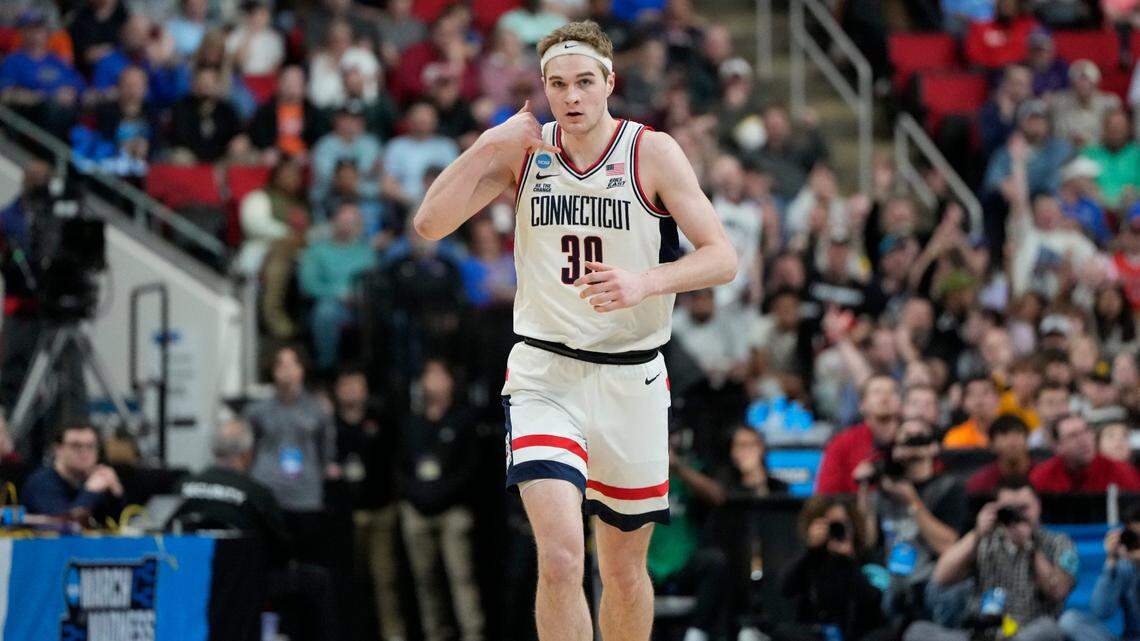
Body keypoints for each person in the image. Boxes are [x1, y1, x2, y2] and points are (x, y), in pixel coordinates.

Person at [412, 19, 737, 641]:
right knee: (561, 557)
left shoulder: (651, 152)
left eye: (584, 81)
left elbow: (723, 257)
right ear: (543, 88)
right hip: (545, 373)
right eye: (557, 84)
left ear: (610, 82)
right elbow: (429, 224)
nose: (572, 95)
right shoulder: (526, 153)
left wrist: (646, 282)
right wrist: (488, 143)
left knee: (622, 571)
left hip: (631, 378)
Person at [175, 419, 339, 641]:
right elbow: (282, 550)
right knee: (317, 580)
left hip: (191, 577)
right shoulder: (256, 493)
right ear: (247, 454)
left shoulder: (181, 486)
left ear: (213, 450)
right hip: (243, 582)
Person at [904, 480, 1076, 641]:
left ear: (1038, 505)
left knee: (1049, 628)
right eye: (1009, 510)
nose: (1017, 516)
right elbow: (941, 577)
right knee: (917, 631)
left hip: (1027, 631)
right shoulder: (985, 540)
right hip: (981, 633)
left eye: (1023, 508)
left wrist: (1030, 547)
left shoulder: (1057, 542)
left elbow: (1058, 591)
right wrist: (977, 533)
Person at [397, 359, 483, 641]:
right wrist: (416, 496)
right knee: (424, 581)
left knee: (461, 577)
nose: (433, 381)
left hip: (453, 510)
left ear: (451, 381)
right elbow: (400, 466)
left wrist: (443, 494)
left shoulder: (463, 420)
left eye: (439, 375)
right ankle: (434, 634)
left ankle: (473, 633)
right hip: (417, 509)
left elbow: (470, 468)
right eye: (428, 375)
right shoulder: (412, 422)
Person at [246, 346, 340, 563]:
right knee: (268, 559)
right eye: (280, 364)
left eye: (292, 364)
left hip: (305, 495)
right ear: (272, 370)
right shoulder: (257, 410)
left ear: (302, 369)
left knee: (308, 559)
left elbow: (326, 449)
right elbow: (249, 449)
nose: (286, 370)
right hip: (268, 491)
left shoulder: (318, 408)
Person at [331, 367, 405, 641]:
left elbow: (397, 462)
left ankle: (392, 634)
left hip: (380, 510)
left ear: (365, 389)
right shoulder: (328, 425)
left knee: (386, 581)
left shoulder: (382, 421)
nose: (351, 389)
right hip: (343, 516)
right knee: (346, 580)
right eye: (346, 383)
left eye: (357, 384)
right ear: (337, 390)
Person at [780, 495, 887, 641]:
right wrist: (811, 551)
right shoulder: (810, 559)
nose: (836, 530)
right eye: (829, 525)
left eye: (842, 524)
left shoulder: (867, 558)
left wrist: (848, 561)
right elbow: (785, 589)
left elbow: (873, 601)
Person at [298, 201, 377, 373]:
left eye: (352, 222)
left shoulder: (366, 252)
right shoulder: (316, 252)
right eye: (343, 221)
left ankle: (373, 371)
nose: (347, 226)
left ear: (359, 226)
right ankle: (326, 369)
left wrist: (359, 297)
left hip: (362, 306)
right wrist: (338, 293)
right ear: (333, 221)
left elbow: (374, 283)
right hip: (330, 303)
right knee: (326, 313)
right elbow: (308, 285)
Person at [1058, 505, 1140, 641]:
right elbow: (1101, 610)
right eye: (1135, 538)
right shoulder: (1126, 566)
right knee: (1070, 621)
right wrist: (1111, 561)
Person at [22, 423, 124, 522]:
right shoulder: (41, 483)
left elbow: (123, 523)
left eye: (90, 446)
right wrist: (91, 492)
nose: (84, 452)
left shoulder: (96, 480)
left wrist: (115, 493)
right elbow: (62, 523)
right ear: (58, 449)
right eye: (76, 446)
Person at [816, 375, 901, 494]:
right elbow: (827, 494)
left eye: (892, 392)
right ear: (862, 405)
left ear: (902, 402)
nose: (885, 398)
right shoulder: (842, 443)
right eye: (877, 392)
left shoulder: (913, 439)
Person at [1029, 413, 1140, 492]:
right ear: (1057, 446)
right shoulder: (1042, 476)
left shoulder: (1121, 472)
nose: (1083, 441)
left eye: (1086, 431)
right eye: (1073, 436)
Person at [966, 415, 1035, 495]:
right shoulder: (980, 483)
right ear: (992, 445)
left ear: (1028, 440)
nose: (1012, 442)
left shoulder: (1043, 477)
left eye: (1018, 433)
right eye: (1004, 434)